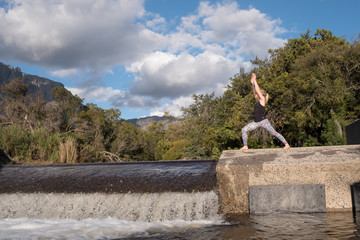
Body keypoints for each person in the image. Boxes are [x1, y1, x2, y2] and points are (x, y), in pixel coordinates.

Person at [240, 73, 290, 150]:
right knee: (244, 130)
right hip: (256, 122)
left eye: (257, 93)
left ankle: (286, 144)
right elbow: (255, 91)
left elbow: (257, 90)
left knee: (274, 133)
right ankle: (245, 146)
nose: (256, 94)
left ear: (260, 94)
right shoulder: (257, 101)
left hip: (264, 122)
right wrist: (252, 83)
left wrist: (255, 80)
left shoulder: (263, 100)